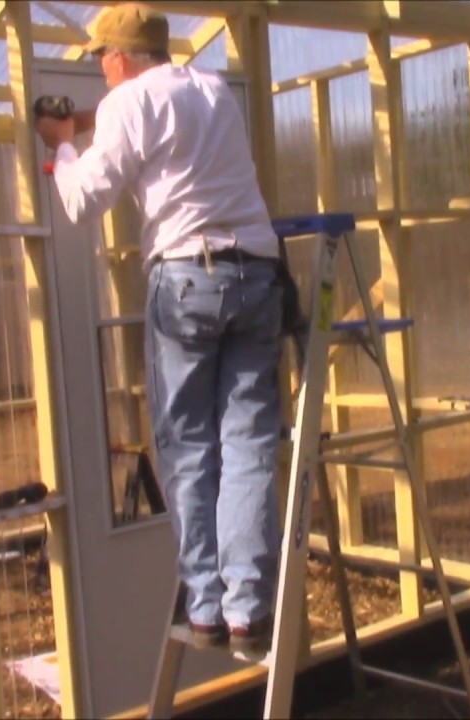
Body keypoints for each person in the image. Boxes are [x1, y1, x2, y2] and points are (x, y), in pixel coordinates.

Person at [34, 3, 283, 654]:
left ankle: (204, 607)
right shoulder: (211, 91)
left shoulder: (127, 104)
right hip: (258, 271)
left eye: (100, 58)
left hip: (188, 281)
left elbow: (85, 198)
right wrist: (88, 123)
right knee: (250, 443)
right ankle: (248, 611)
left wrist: (62, 145)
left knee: (188, 446)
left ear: (117, 57)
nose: (100, 70)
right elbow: (164, 128)